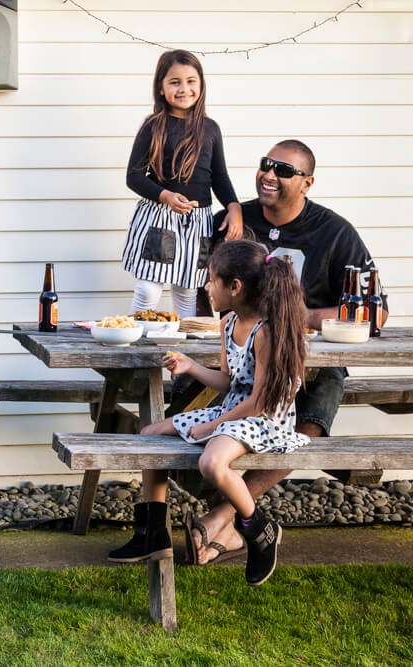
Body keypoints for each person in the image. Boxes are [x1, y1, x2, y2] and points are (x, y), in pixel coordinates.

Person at [186, 139, 389, 565]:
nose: (269, 175)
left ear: (307, 183)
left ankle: (222, 519)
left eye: (283, 170)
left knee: (307, 424)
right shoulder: (233, 220)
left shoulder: (335, 232)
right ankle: (220, 519)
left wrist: (297, 317)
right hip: (239, 356)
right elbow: (204, 292)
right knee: (181, 401)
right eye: (266, 165)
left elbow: (376, 313)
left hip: (308, 361)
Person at [109, 240, 309, 586]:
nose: (206, 287)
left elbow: (259, 402)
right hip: (235, 411)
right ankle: (154, 533)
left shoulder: (266, 332)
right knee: (149, 435)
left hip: (265, 419)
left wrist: (212, 425)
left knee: (212, 463)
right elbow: (229, 382)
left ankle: (258, 530)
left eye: (212, 280)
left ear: (235, 287)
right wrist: (191, 366)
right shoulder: (228, 322)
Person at [121, 49, 243, 319]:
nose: (184, 89)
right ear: (161, 87)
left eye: (191, 81)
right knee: (149, 288)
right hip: (161, 219)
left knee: (187, 291)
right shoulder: (153, 126)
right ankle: (136, 341)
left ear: (201, 84)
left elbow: (220, 177)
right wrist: (165, 195)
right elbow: (134, 176)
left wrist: (234, 207)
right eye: (174, 82)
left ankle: (186, 345)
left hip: (198, 222)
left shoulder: (210, 129)